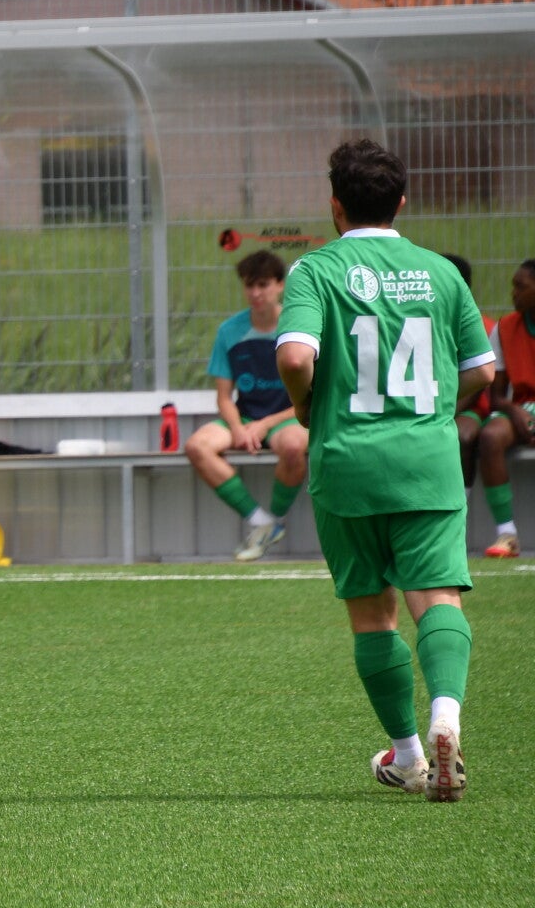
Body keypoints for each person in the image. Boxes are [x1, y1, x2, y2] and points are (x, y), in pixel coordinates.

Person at [275, 139, 494, 801]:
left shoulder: (315, 270)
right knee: (438, 599)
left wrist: (306, 406)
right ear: (401, 201)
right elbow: (483, 371)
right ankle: (446, 717)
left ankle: (407, 756)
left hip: (347, 462)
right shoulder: (441, 272)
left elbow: (294, 357)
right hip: (427, 461)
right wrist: (439, 409)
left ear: (334, 205)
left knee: (373, 613)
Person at [183, 250, 310, 560]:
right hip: (245, 417)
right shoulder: (229, 331)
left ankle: (275, 518)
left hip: (288, 417)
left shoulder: (298, 327)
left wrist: (264, 425)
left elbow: (311, 393)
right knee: (197, 446)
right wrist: (238, 428)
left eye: (263, 285)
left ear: (280, 285)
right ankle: (262, 522)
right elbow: (223, 397)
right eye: (249, 285)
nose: (255, 293)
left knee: (294, 446)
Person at [474, 258, 535, 558]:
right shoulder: (505, 328)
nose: (513, 293)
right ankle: (507, 534)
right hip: (522, 408)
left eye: (521, 287)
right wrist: (515, 411)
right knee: (490, 436)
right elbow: (496, 396)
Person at [440, 253, 494, 493]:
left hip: (470, 407)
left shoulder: (482, 326)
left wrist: (446, 410)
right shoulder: (428, 319)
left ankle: (462, 500)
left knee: (460, 436)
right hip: (435, 404)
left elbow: (480, 379)